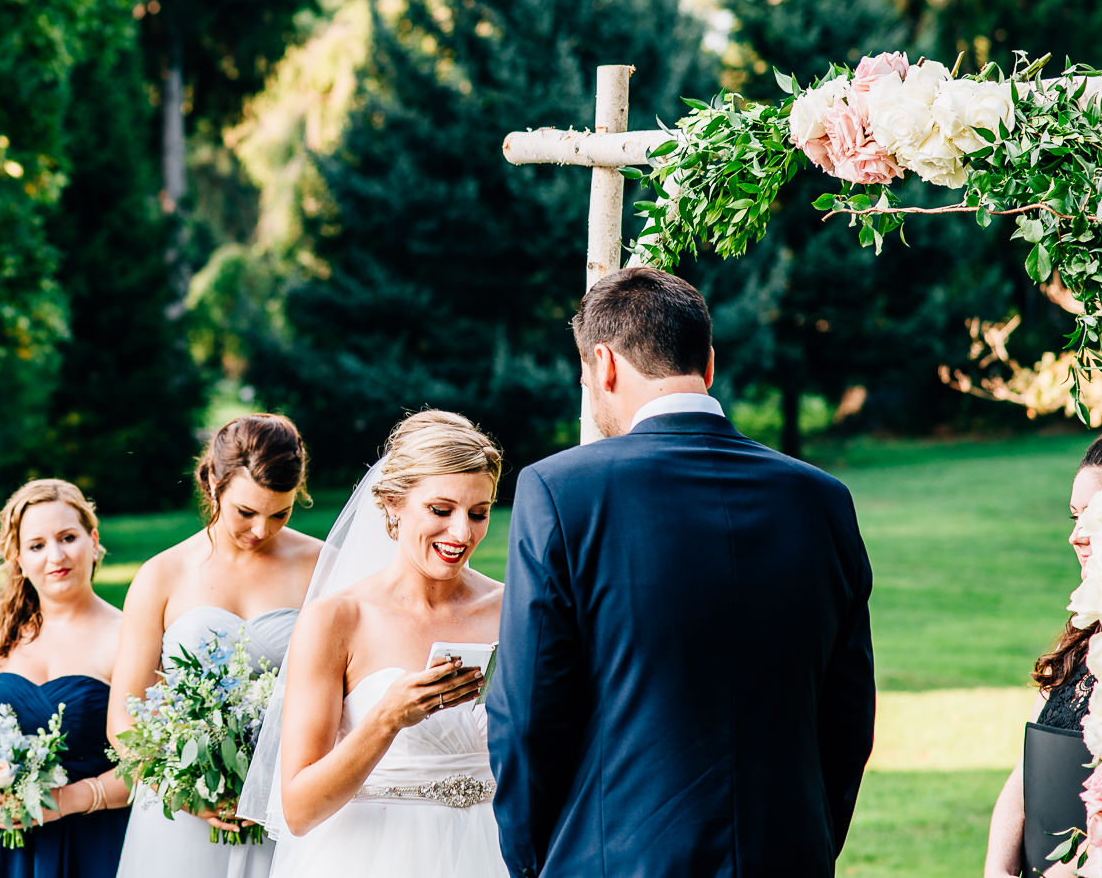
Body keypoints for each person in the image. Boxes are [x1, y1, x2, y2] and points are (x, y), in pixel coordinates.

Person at [488, 267, 876, 878]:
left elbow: (529, 715)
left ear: (604, 364)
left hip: (616, 861)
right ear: (709, 365)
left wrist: (537, 863)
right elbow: (848, 718)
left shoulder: (561, 492)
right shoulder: (822, 500)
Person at [252, 410, 504, 878]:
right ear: (391, 503)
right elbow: (299, 808)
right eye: (441, 510)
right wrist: (387, 720)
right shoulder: (337, 618)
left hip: (490, 851)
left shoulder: (509, 609)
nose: (462, 533)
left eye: (479, 513)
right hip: (369, 855)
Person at [111, 414, 323, 878]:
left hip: (282, 810)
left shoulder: (323, 567)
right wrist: (185, 793)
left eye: (280, 513)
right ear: (212, 481)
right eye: (246, 512)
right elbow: (123, 718)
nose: (262, 530)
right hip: (181, 815)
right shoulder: (161, 576)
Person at [0, 478, 131, 877]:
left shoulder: (125, 638)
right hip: (3, 847)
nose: (56, 556)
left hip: (92, 844)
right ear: (17, 557)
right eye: (37, 545)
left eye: (68, 537)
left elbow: (146, 768)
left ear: (94, 540)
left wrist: (65, 801)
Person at [984, 426, 1102, 878]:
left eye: (1096, 517)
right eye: (1075, 517)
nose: (1077, 537)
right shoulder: (1080, 634)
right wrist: (997, 868)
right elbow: (1025, 773)